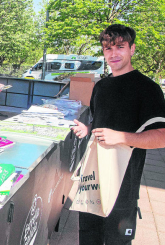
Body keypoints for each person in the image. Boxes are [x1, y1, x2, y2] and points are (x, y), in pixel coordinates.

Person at [71, 24, 165, 245]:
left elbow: (161, 135)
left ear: (132, 49)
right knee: (88, 237)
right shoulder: (101, 87)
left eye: (120, 47)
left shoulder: (147, 89)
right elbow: (100, 121)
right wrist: (88, 130)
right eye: (107, 48)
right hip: (94, 181)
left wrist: (121, 137)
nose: (113, 54)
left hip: (123, 188)